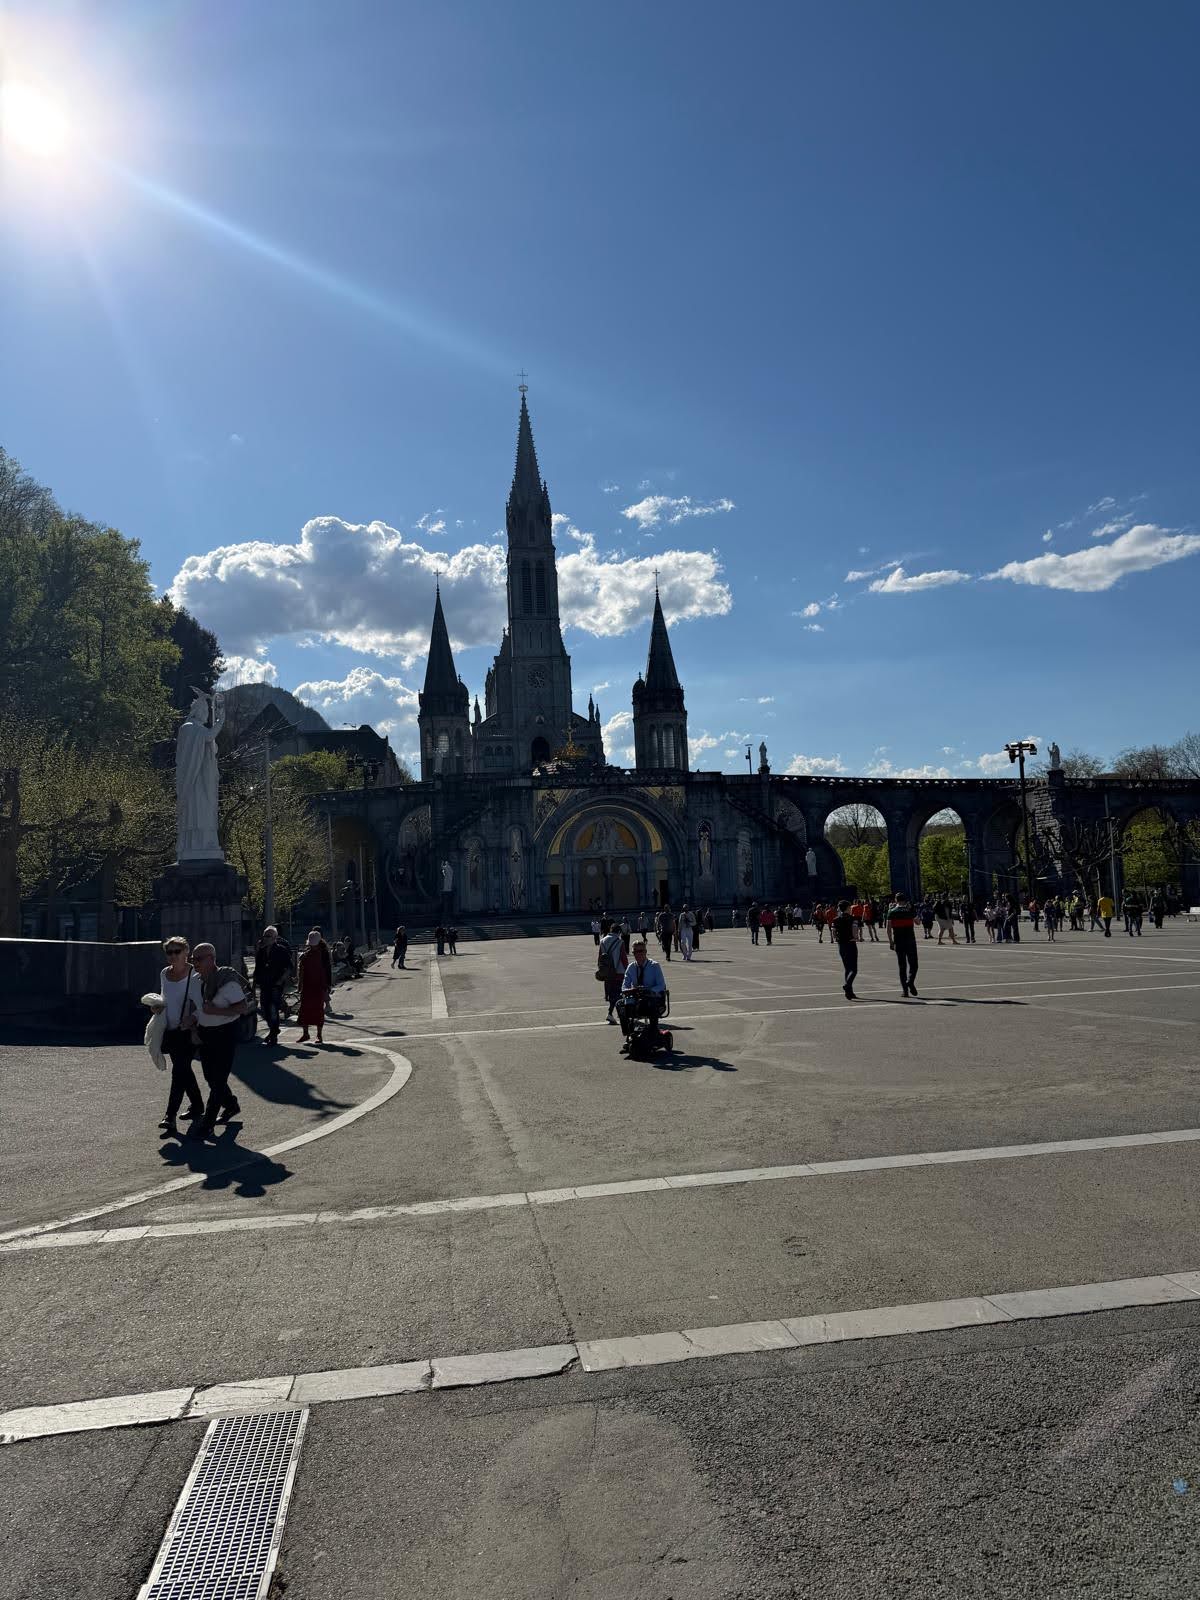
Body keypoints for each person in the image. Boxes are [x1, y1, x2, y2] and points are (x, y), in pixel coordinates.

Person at [188, 942, 250, 1140]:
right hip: (206, 1032)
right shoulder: (196, 981)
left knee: (218, 1080)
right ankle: (231, 1104)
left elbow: (242, 1007)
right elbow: (198, 1007)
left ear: (211, 959)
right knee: (210, 1076)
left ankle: (207, 1124)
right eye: (193, 959)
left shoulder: (226, 981)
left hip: (225, 1033)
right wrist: (193, 1024)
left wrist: (215, 1011)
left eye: (198, 959)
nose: (194, 963)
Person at [158, 935, 205, 1138]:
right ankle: (198, 1105)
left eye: (177, 951)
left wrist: (192, 1018)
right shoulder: (164, 973)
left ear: (186, 952)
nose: (173, 955)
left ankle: (170, 1116)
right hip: (170, 1030)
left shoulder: (195, 974)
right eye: (169, 952)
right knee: (184, 1070)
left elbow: (203, 1003)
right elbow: (164, 999)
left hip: (189, 1030)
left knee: (179, 1072)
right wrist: (157, 1007)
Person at [619, 937, 668, 1051]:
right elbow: (624, 987)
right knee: (620, 1004)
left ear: (645, 952)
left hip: (653, 998)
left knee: (650, 1003)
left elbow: (661, 985)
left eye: (640, 951)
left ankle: (653, 1034)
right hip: (637, 998)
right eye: (635, 951)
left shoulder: (654, 966)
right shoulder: (631, 967)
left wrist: (649, 990)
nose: (638, 954)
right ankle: (629, 1034)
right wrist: (631, 990)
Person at [253, 925, 293, 1046]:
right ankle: (273, 1030)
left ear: (275, 938)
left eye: (268, 936)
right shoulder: (261, 951)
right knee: (264, 1010)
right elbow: (257, 968)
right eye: (264, 936)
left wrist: (281, 980)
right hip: (264, 984)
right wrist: (254, 984)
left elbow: (289, 967)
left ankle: (273, 1035)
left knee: (273, 1009)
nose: (265, 938)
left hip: (276, 985)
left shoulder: (281, 950)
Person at [296, 929, 330, 1043]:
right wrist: (300, 985)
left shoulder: (324, 954)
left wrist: (328, 985)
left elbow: (327, 970)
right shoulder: (305, 955)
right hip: (307, 986)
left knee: (318, 1010)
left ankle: (319, 1035)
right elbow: (301, 971)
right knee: (304, 1010)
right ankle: (305, 1034)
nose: (313, 946)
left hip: (319, 986)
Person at [887, 893, 920, 997]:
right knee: (913, 964)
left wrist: (891, 941)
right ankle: (910, 981)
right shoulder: (910, 911)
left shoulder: (891, 911)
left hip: (898, 940)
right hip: (910, 940)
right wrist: (912, 910)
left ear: (896, 900)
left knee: (902, 966)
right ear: (905, 900)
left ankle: (905, 991)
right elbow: (918, 922)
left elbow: (888, 928)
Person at [597, 918, 627, 1024]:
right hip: (618, 972)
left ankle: (618, 1012)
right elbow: (623, 958)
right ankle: (611, 1013)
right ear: (618, 932)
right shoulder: (620, 942)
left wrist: (601, 969)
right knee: (618, 993)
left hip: (607, 972)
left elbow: (600, 957)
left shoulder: (602, 941)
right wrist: (628, 969)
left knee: (611, 993)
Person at [832, 899, 859, 1000]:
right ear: (847, 908)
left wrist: (837, 938)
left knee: (847, 968)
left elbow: (833, 932)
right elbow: (855, 930)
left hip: (841, 945)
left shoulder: (835, 919)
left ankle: (849, 992)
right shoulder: (853, 919)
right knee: (854, 969)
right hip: (851, 944)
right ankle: (847, 986)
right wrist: (855, 937)